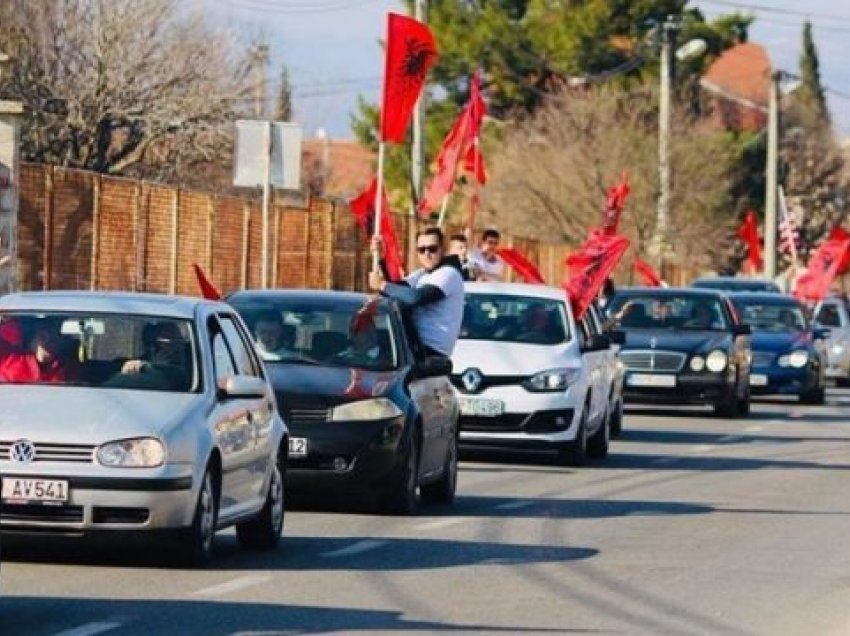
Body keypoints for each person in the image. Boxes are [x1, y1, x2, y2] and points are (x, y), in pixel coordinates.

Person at [369, 226, 464, 357]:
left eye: (432, 249)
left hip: (431, 353)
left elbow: (416, 297)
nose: (427, 254)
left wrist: (381, 284)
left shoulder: (449, 273)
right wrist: (381, 259)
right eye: (421, 250)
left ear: (443, 249)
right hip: (414, 346)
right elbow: (396, 290)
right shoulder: (423, 274)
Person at [0, 317, 80, 383]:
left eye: (54, 338)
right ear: (32, 338)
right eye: (43, 336)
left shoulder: (68, 370)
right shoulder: (9, 362)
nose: (48, 342)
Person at [118, 321, 190, 390]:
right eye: (164, 338)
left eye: (178, 339)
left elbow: (178, 376)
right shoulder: (146, 357)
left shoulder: (193, 362)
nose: (176, 344)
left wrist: (145, 367)